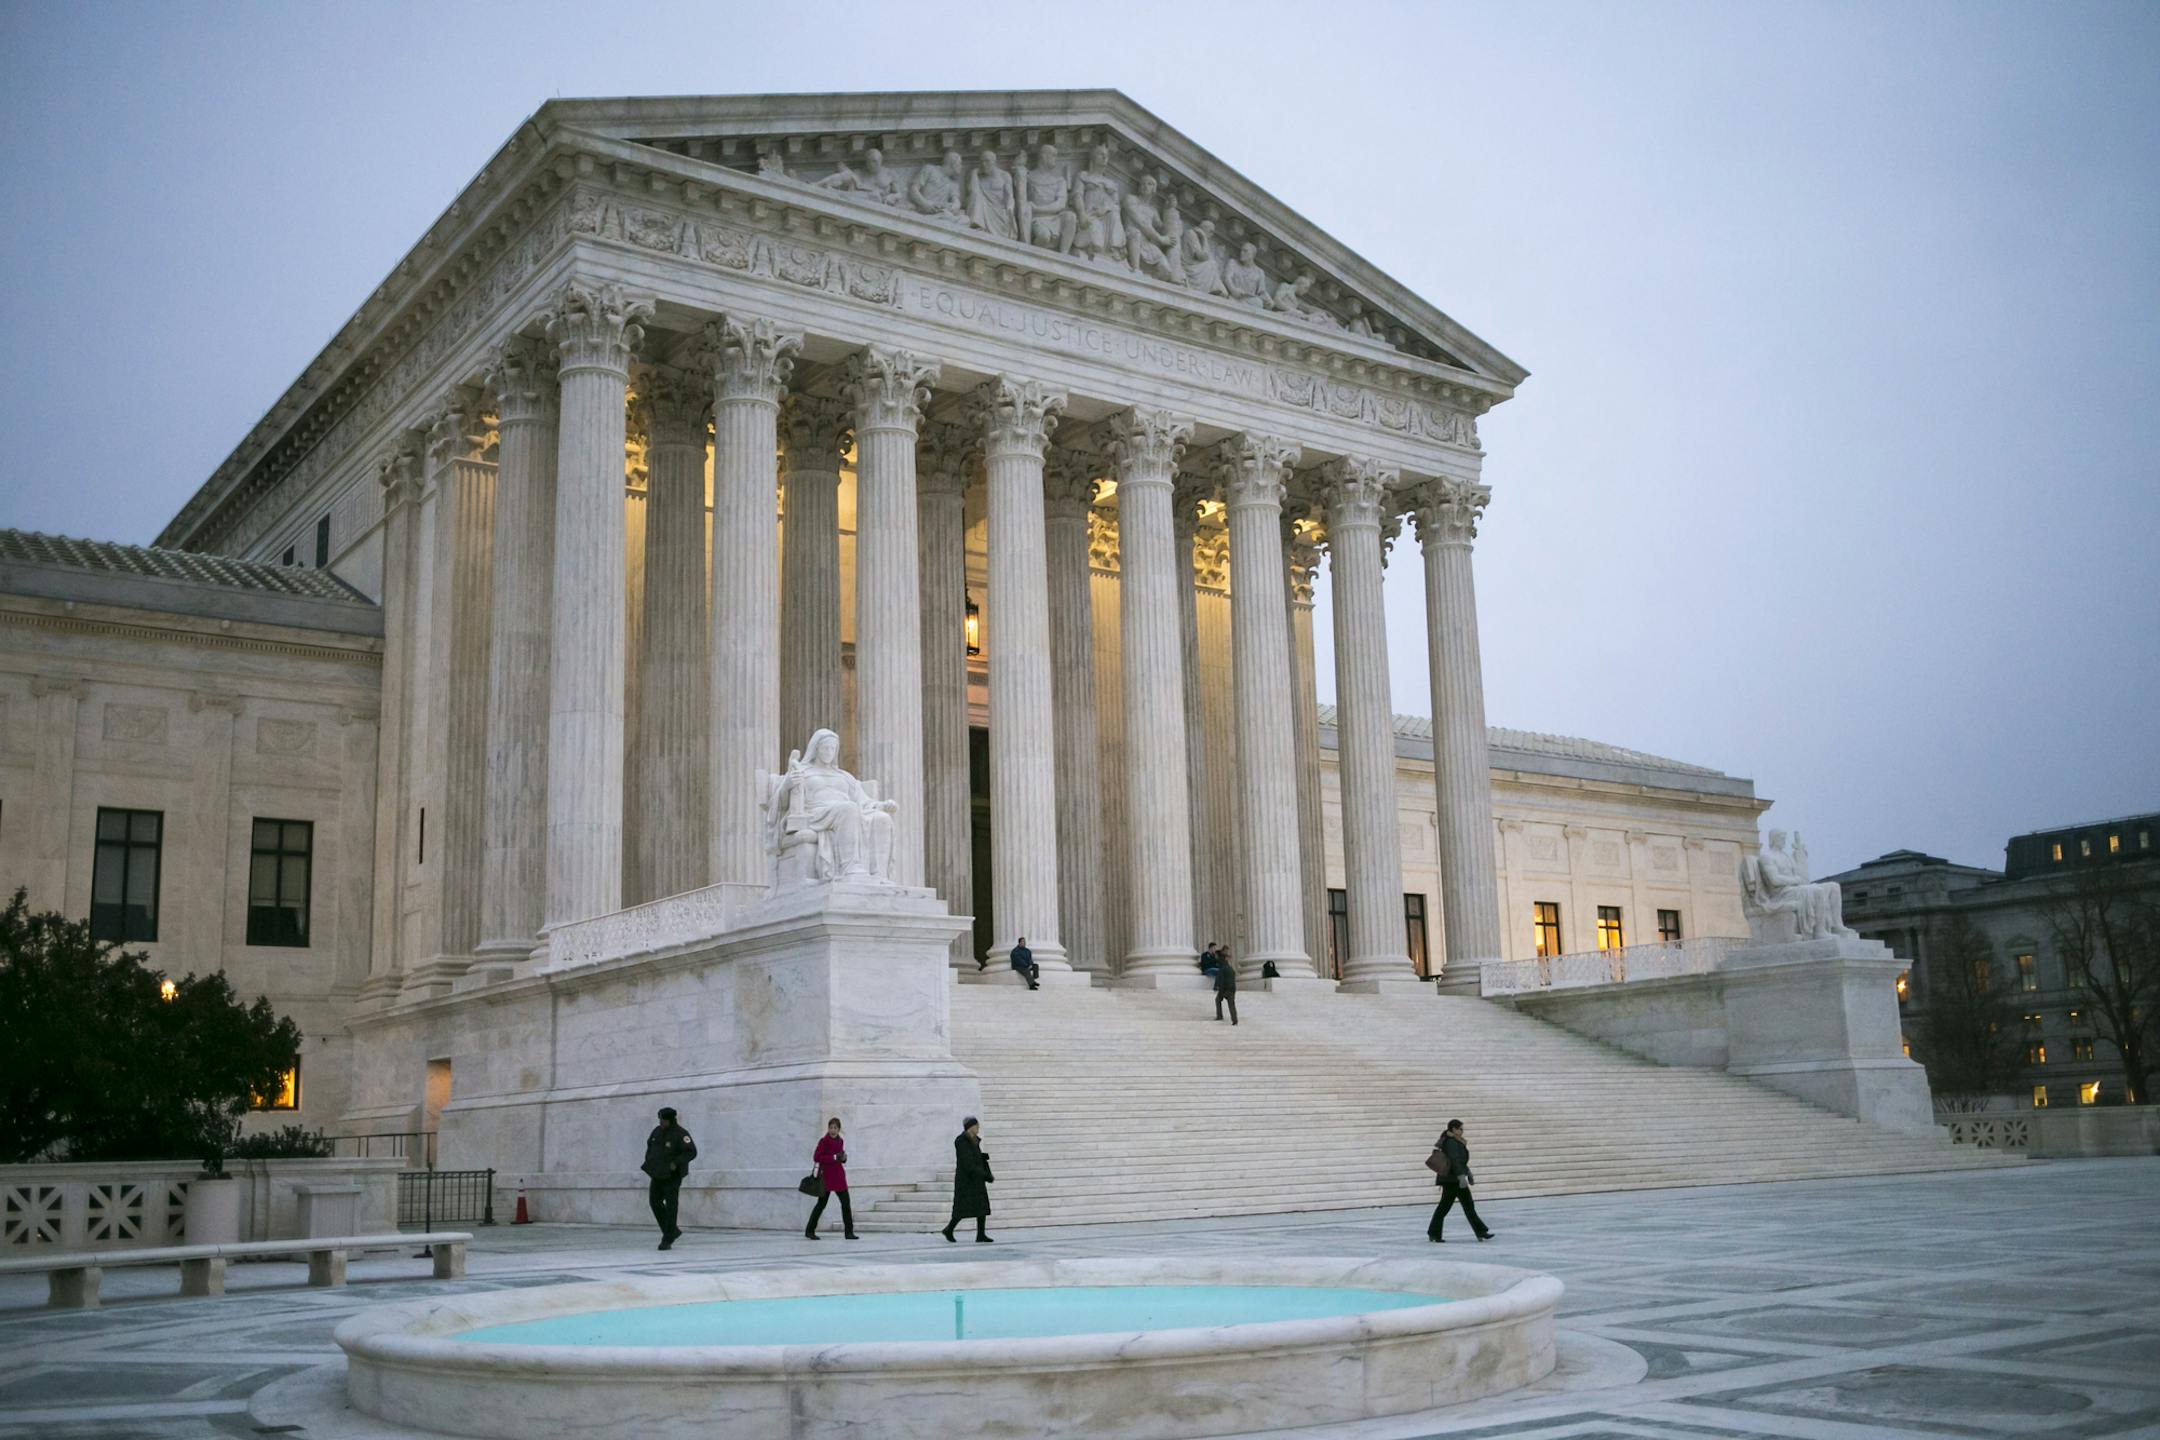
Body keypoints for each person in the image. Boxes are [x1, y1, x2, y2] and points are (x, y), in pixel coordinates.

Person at [1427, 1119, 1494, 1243]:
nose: (1462, 1131)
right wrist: (1461, 1176)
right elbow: (1455, 1160)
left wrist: (1467, 1172)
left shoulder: (1454, 1141)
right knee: (1459, 1207)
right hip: (1453, 1180)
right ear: (1453, 1129)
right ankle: (1480, 1232)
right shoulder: (1452, 1142)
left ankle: (1434, 1233)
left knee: (1455, 1207)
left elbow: (1461, 1161)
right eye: (1460, 1129)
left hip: (1453, 1179)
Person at [640, 1106, 697, 1251]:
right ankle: (672, 1231)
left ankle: (667, 1238)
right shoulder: (657, 1131)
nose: (660, 1122)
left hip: (672, 1176)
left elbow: (691, 1152)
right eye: (659, 1119)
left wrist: (676, 1163)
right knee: (654, 1203)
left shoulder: (680, 1134)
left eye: (662, 1119)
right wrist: (649, 1161)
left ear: (670, 1120)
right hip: (657, 1174)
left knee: (671, 1206)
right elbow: (650, 1146)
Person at [942, 1117, 995, 1242]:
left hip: (976, 1180)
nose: (978, 1128)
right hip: (966, 1181)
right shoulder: (961, 1141)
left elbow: (974, 1157)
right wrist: (984, 1174)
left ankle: (981, 1234)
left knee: (981, 1207)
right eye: (976, 1126)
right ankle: (949, 1229)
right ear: (970, 1127)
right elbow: (967, 1163)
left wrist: (982, 1158)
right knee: (961, 1209)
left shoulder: (974, 1140)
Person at [805, 1116, 857, 1240]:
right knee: (821, 1204)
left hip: (839, 1177)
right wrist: (833, 1157)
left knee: (846, 1204)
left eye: (835, 1128)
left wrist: (843, 1158)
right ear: (828, 1128)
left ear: (839, 1129)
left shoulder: (841, 1141)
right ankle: (809, 1230)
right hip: (826, 1178)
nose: (833, 1130)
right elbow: (817, 1157)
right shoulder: (824, 1141)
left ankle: (849, 1232)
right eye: (831, 1127)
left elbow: (840, 1158)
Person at [1213, 950, 1238, 1025]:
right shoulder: (1230, 968)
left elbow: (1221, 981)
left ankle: (1219, 1016)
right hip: (1232, 988)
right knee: (1231, 1005)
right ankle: (1235, 1020)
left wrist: (1220, 991)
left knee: (1218, 1000)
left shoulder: (1222, 968)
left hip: (1225, 989)